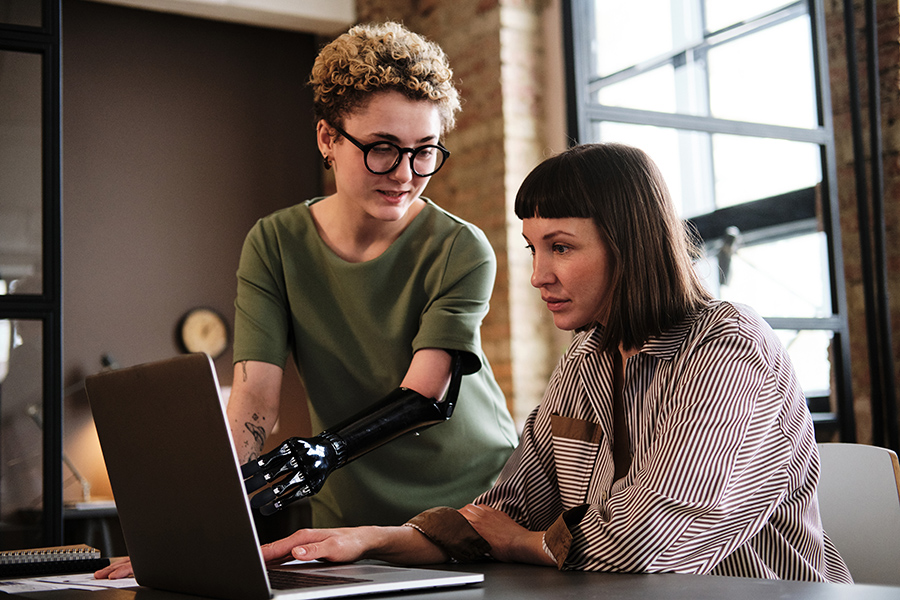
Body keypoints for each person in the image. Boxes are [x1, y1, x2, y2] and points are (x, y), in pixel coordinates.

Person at [248, 143, 853, 582]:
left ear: (629, 242)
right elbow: (506, 510)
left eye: (561, 247)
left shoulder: (728, 346)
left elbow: (651, 540)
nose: (539, 275)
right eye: (534, 248)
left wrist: (525, 545)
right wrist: (373, 540)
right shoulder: (586, 361)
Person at [224, 21, 517, 529]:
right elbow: (253, 398)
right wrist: (209, 519)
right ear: (327, 139)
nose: (405, 174)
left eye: (424, 150)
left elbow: (425, 395)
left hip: (474, 503)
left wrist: (324, 450)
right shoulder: (274, 243)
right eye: (382, 148)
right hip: (349, 508)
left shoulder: (459, 247)